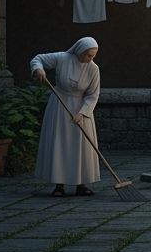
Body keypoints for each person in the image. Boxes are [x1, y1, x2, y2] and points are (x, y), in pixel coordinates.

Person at [32, 36, 102, 197]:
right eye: (88, 55)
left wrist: (83, 113)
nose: (91, 58)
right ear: (80, 51)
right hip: (59, 105)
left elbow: (93, 94)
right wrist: (39, 69)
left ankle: (81, 184)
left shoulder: (93, 69)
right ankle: (59, 185)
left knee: (82, 146)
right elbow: (38, 59)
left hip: (81, 109)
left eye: (93, 55)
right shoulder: (62, 58)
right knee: (60, 144)